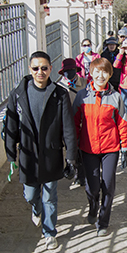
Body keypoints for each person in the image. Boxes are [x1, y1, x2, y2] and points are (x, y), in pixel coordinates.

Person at [4, 51, 78, 250]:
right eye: (36, 68)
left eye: (44, 68)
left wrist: (71, 157)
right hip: (28, 154)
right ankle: (36, 209)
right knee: (30, 195)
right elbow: (11, 125)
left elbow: (68, 127)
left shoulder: (59, 94)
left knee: (49, 195)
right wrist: (11, 155)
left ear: (50, 69)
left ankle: (50, 233)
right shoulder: (18, 94)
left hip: (51, 153)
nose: (40, 72)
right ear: (30, 69)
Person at [73, 58, 127, 237]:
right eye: (97, 71)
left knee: (108, 185)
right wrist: (73, 147)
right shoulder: (82, 96)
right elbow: (74, 123)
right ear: (90, 73)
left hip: (110, 148)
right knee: (93, 187)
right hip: (88, 148)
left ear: (110, 74)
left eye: (105, 72)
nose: (100, 75)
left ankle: (103, 221)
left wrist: (124, 147)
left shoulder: (115, 97)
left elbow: (122, 123)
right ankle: (93, 205)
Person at [56, 58, 88, 187]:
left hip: (82, 121)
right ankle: (74, 171)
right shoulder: (59, 87)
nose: (69, 72)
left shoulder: (85, 83)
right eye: (67, 70)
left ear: (76, 70)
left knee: (82, 149)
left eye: (71, 70)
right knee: (71, 149)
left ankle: (82, 175)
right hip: (67, 124)